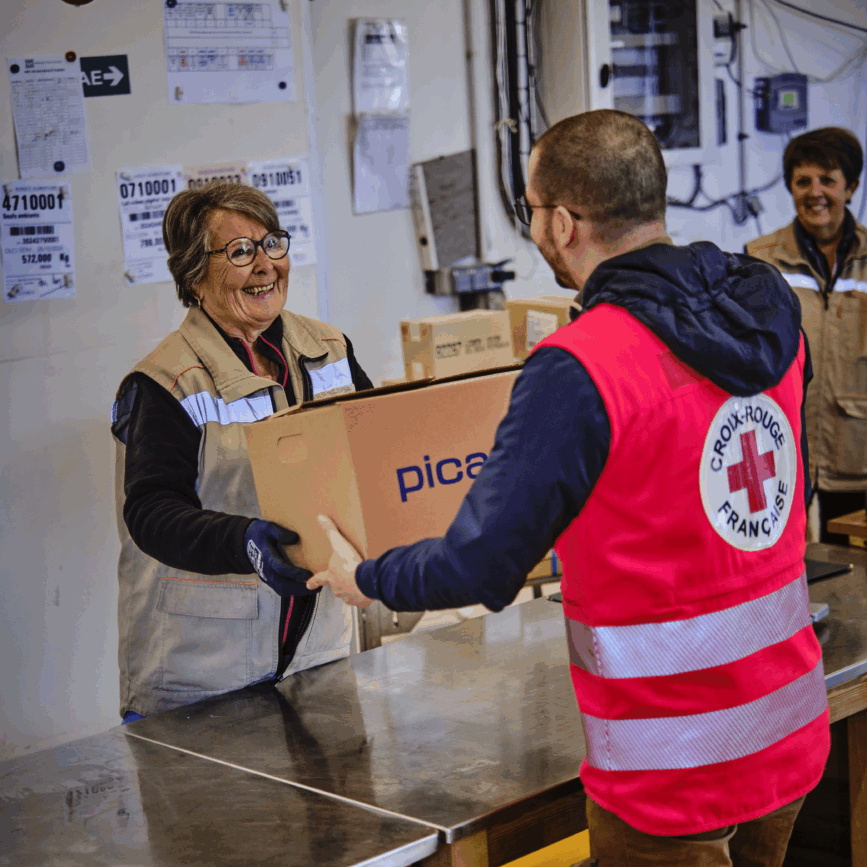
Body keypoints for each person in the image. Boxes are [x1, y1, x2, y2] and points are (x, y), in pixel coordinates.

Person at [307, 110, 830, 867]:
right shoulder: (766, 306)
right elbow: (776, 487)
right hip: (786, 724)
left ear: (559, 220)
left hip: (671, 765)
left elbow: (481, 566)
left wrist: (367, 575)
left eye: (529, 209)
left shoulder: (581, 362)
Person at [110, 182, 373, 721]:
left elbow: (379, 453)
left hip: (318, 656)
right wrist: (243, 541)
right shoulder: (166, 380)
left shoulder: (331, 350)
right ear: (192, 276)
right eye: (239, 252)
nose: (265, 266)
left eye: (272, 243)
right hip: (202, 675)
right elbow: (151, 512)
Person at [746, 127, 867, 545]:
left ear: (850, 187)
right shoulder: (758, 260)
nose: (815, 193)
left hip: (857, 451)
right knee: (789, 566)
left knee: (855, 569)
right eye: (803, 181)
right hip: (780, 449)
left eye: (827, 180)